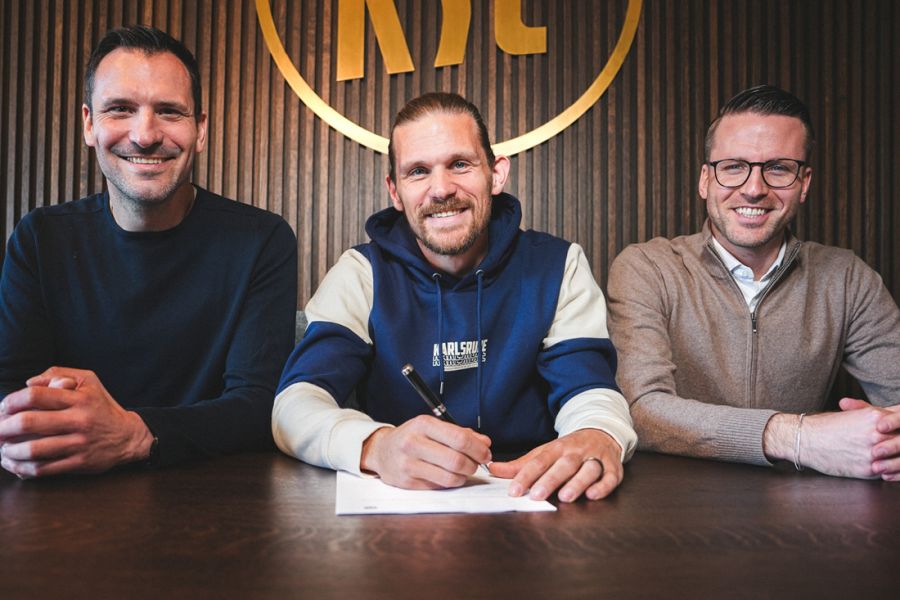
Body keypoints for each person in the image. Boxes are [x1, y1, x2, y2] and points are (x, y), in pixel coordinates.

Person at [272, 93, 636, 502]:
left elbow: (589, 389)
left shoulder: (558, 264)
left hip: (533, 494)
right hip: (402, 503)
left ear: (496, 174)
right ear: (395, 191)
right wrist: (375, 446)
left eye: (460, 164)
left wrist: (598, 432)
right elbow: (296, 403)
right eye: (418, 171)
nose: (442, 189)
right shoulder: (360, 272)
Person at [0, 26, 298, 478]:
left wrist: (133, 434)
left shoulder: (262, 240)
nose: (144, 135)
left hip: (212, 499)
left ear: (200, 129)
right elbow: (8, 389)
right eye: (120, 109)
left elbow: (259, 406)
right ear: (89, 124)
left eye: (169, 112)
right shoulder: (40, 238)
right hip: (62, 493)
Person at [607, 85, 900, 480]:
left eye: (778, 168)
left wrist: (884, 438)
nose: (754, 188)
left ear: (804, 182)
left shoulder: (847, 278)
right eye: (733, 166)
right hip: (675, 501)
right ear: (705, 180)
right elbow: (642, 409)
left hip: (804, 507)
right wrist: (799, 437)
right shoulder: (648, 267)